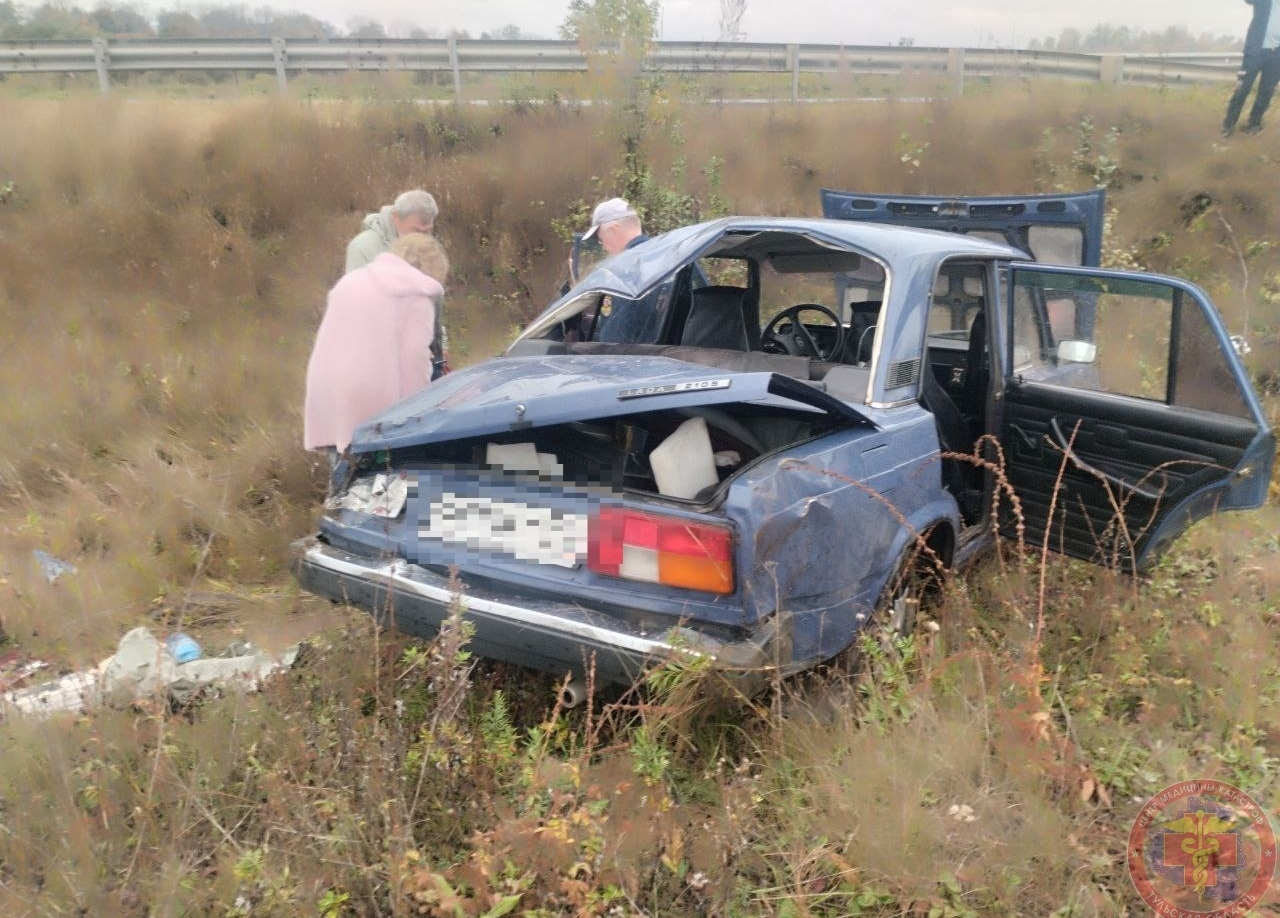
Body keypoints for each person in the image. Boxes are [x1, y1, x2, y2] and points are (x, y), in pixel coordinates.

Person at [305, 233, 449, 459]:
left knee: (343, 477)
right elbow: (414, 358)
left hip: (326, 388)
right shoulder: (416, 295)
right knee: (381, 481)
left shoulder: (350, 281)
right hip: (372, 398)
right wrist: (418, 412)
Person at [346, 189, 449, 377]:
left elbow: (432, 302)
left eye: (428, 231)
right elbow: (357, 310)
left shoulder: (425, 248)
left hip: (425, 355)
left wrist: (442, 350)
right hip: (382, 364)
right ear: (395, 217)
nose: (423, 237)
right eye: (416, 230)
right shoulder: (363, 248)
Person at [581, 197, 660, 343]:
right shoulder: (669, 256)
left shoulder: (626, 269)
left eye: (601, 239)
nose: (603, 247)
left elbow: (616, 339)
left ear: (614, 230)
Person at [1222, 0, 1280, 136]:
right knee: (1242, 89)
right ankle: (1228, 125)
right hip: (1255, 52)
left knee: (1266, 92)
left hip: (1276, 55)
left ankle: (1254, 124)